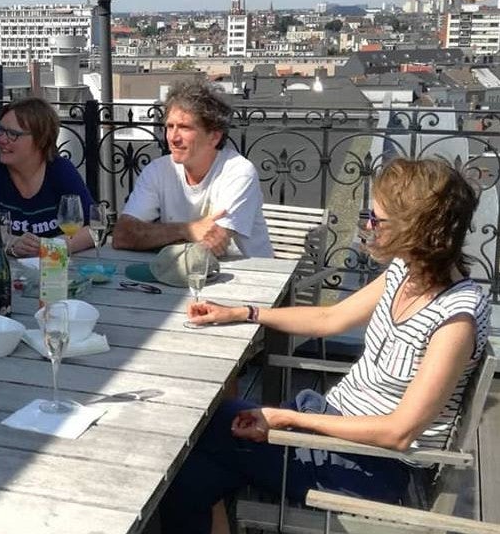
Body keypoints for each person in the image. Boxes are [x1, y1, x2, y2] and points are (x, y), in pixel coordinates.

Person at [163, 158, 489, 534]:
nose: (367, 226)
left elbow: (398, 433)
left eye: (377, 220)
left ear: (416, 230)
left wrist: (288, 420)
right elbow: (328, 320)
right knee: (195, 462)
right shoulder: (405, 273)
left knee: (193, 445)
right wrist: (243, 312)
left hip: (373, 465)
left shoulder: (454, 320)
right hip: (330, 427)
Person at [111, 82, 272, 258]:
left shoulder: (238, 171)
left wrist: (153, 235)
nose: (173, 137)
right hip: (181, 274)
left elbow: (213, 244)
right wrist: (187, 230)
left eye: (185, 127)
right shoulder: (157, 171)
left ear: (214, 136)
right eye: (170, 126)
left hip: (250, 277)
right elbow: (122, 236)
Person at [0, 97, 94, 258]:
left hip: (52, 271)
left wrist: (52, 247)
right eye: (0, 129)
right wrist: (12, 243)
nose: (1, 139)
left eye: (13, 134)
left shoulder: (60, 169)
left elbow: (92, 228)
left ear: (40, 140)